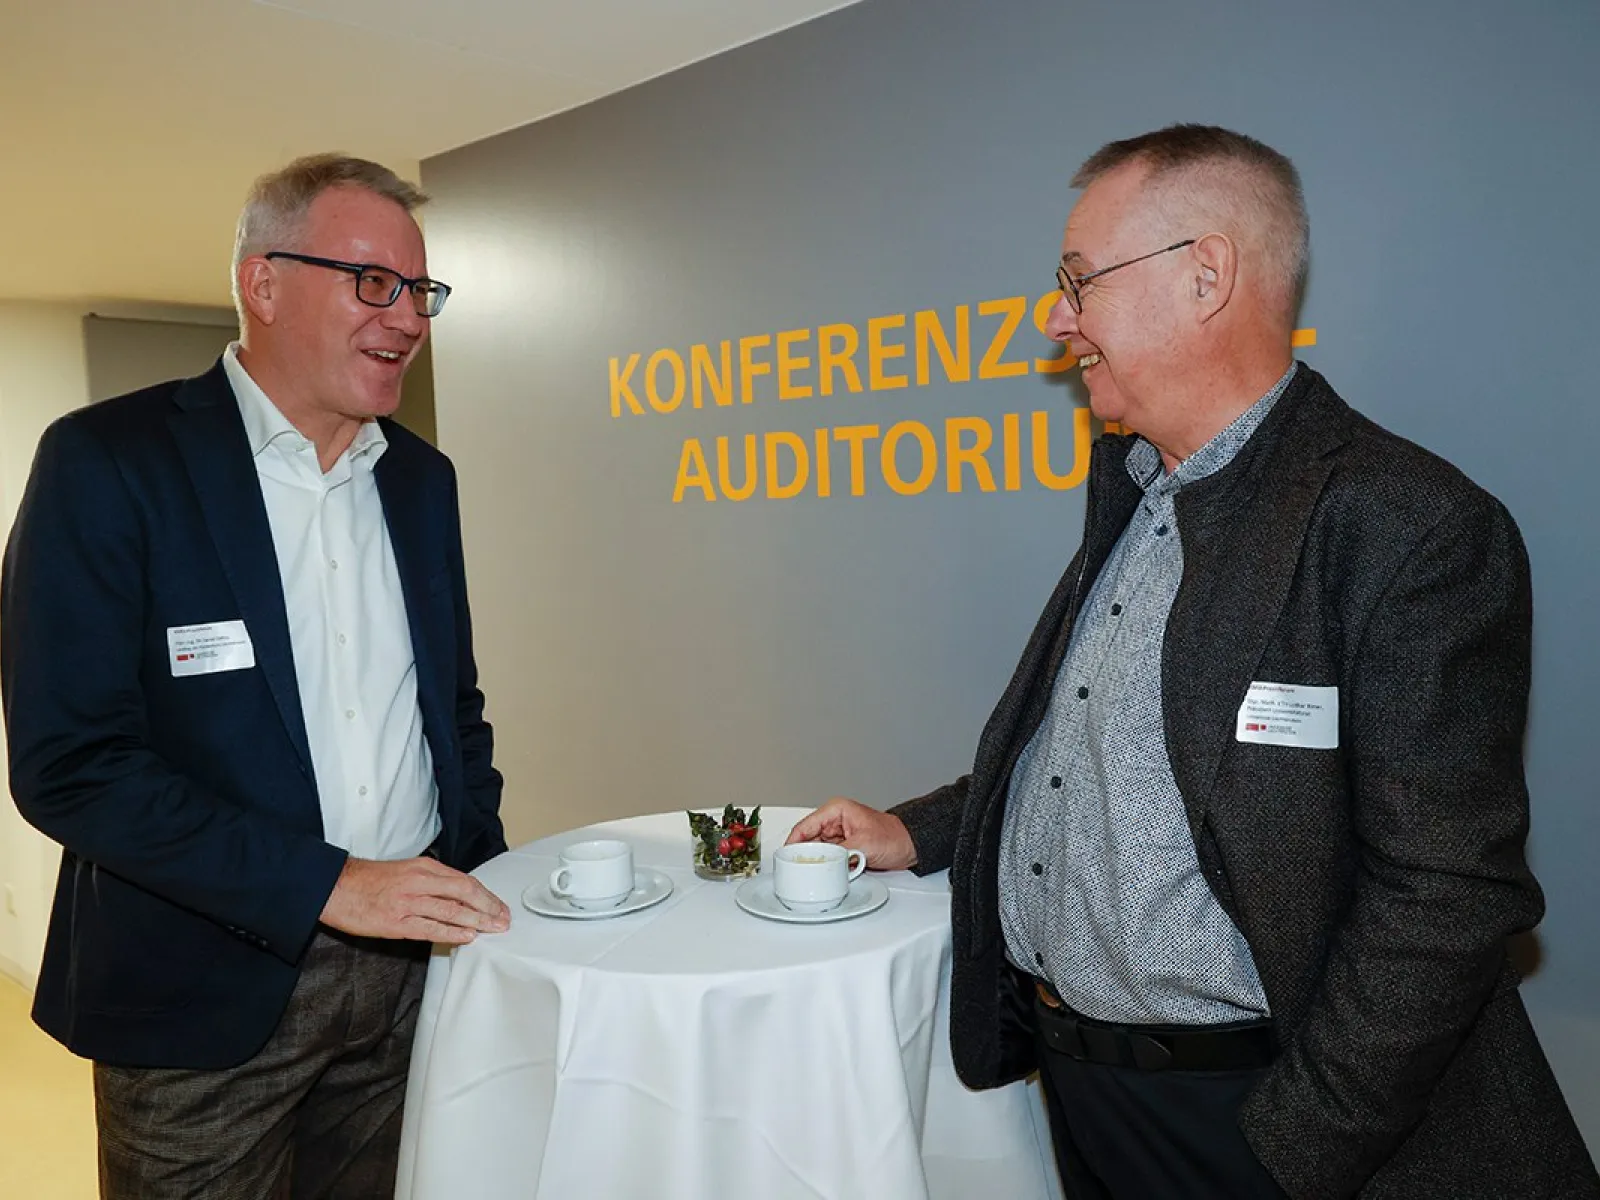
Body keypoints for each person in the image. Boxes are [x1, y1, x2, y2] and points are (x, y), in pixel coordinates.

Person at [790, 125, 1599, 1199]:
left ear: (1206, 275)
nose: (1056, 318)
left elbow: (1446, 891)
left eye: (1078, 279)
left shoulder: (1405, 525)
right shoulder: (1137, 493)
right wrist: (918, 830)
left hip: (1260, 1123)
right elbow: (1078, 750)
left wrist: (1294, 1145)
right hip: (1090, 1096)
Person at [2, 153, 511, 1198]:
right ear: (264, 282)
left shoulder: (422, 479)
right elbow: (73, 767)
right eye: (373, 283)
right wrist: (331, 886)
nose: (407, 317)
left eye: (419, 291)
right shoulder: (110, 461)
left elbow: (450, 713)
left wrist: (482, 876)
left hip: (410, 988)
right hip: (200, 998)